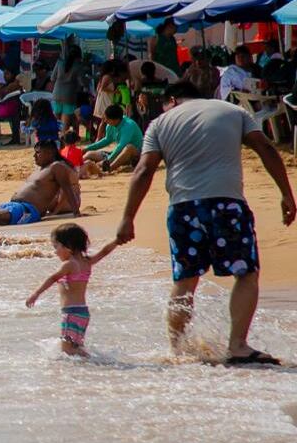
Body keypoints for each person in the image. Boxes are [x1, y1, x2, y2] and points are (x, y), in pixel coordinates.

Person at [117, 80, 294, 365]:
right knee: (245, 273)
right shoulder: (233, 111)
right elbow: (266, 149)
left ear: (172, 100)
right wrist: (286, 193)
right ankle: (237, 346)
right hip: (227, 204)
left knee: (185, 280)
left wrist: (128, 219)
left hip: (183, 209)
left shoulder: (161, 122)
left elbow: (143, 170)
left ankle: (177, 351)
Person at [25, 223, 121, 357]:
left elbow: (52, 278)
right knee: (75, 347)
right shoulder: (86, 262)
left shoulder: (69, 265)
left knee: (67, 350)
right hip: (83, 313)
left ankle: (97, 361)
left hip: (71, 313)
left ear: (68, 247)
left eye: (56, 246)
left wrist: (35, 294)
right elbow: (104, 252)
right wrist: (117, 241)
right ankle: (84, 369)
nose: (55, 251)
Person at [0, 140, 81, 226]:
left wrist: (76, 213)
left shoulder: (56, 167)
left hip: (28, 210)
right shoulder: (40, 169)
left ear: (50, 153)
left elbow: (67, 189)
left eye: (38, 153)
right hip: (13, 205)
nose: (34, 156)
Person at [83, 104, 143, 173]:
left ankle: (109, 168)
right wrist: (87, 148)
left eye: (107, 119)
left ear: (116, 120)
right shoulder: (110, 125)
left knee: (129, 148)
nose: (105, 121)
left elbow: (121, 146)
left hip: (135, 156)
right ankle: (76, 166)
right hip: (119, 154)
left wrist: (108, 160)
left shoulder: (129, 126)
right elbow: (107, 140)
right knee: (89, 154)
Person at [51, 45, 85, 131]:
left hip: (56, 93)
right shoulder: (78, 66)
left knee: (55, 121)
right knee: (64, 124)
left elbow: (52, 78)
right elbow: (82, 82)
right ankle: (63, 139)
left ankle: (54, 138)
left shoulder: (59, 62)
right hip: (69, 95)